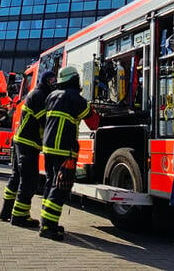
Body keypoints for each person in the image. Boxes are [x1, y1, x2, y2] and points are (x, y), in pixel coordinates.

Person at [39, 65, 99, 241]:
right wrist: (92, 108)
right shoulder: (76, 99)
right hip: (65, 149)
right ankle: (49, 227)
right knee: (61, 187)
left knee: (51, 183)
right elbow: (94, 124)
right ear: (75, 79)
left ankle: (46, 222)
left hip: (48, 148)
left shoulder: (51, 96)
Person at [0, 70, 55, 227]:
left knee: (16, 177)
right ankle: (20, 217)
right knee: (29, 179)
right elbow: (45, 121)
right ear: (48, 82)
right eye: (52, 82)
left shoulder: (34, 93)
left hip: (21, 141)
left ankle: (6, 212)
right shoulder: (39, 96)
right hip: (28, 143)